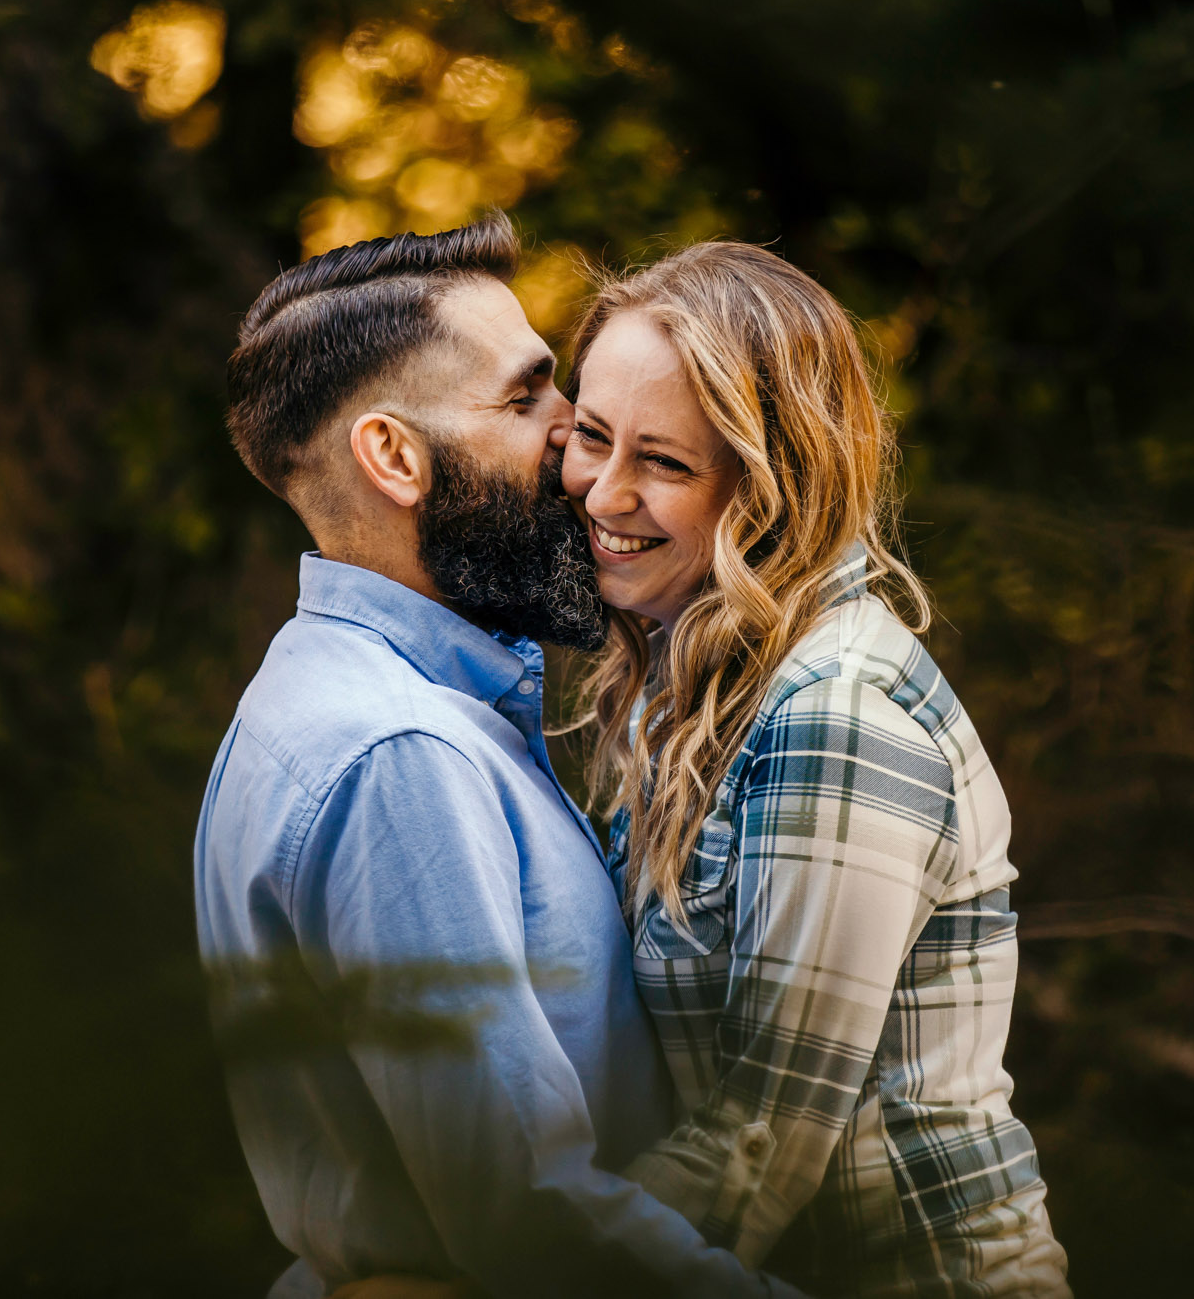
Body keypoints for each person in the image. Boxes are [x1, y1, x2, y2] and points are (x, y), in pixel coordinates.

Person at [192, 214, 801, 1299]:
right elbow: (526, 1214)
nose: (575, 444)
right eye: (526, 400)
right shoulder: (398, 755)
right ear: (394, 455)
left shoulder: (316, 700)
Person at [557, 242, 1073, 1297]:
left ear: (771, 487)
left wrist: (502, 1275)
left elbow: (759, 1138)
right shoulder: (687, 677)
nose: (602, 492)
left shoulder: (832, 714)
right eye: (591, 437)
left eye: (663, 462)